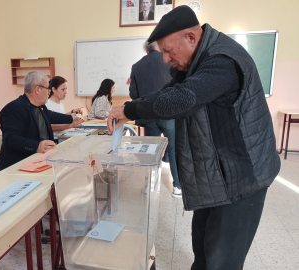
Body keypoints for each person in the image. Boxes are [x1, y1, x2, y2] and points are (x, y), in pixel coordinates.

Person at [108, 5, 280, 270]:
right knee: (202, 246)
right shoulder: (196, 62)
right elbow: (167, 92)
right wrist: (131, 108)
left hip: (241, 179)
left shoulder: (222, 61)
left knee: (222, 260)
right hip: (216, 176)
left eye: (167, 51)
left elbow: (182, 99)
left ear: (190, 37)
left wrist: (130, 109)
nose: (165, 59)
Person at [0, 71, 80, 174]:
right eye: (47, 89)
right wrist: (37, 146)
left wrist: (71, 118)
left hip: (39, 160)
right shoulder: (13, 109)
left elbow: (52, 116)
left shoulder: (40, 106)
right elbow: (11, 139)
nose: (49, 93)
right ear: (38, 89)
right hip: (16, 167)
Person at [129, 41, 181, 198]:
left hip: (148, 115)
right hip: (170, 114)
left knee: (151, 152)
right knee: (173, 150)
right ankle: (177, 186)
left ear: (147, 50)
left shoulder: (136, 66)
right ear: (159, 47)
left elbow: (133, 94)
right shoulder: (171, 61)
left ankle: (149, 185)